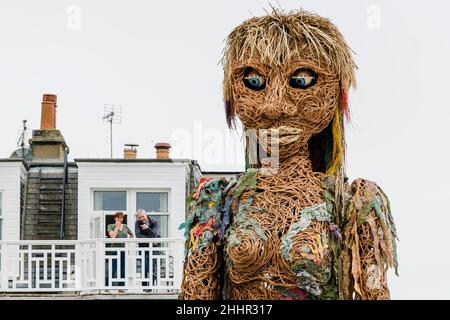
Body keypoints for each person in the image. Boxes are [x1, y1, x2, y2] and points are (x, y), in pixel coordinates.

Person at [106, 211, 134, 288]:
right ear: (115, 218)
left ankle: (121, 287)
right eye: (118, 218)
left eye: (121, 218)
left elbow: (132, 234)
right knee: (113, 269)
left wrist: (128, 241)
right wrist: (117, 227)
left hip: (123, 250)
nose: (120, 219)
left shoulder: (125, 226)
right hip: (114, 250)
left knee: (123, 269)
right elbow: (113, 236)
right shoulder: (111, 226)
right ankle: (107, 286)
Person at [135, 209, 159, 288]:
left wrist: (147, 228)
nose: (141, 219)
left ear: (146, 215)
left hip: (153, 249)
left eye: (142, 216)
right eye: (139, 217)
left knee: (153, 269)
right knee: (144, 268)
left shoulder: (154, 222)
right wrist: (150, 238)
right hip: (143, 249)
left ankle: (152, 287)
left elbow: (155, 234)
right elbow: (138, 236)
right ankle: (145, 288)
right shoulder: (137, 223)